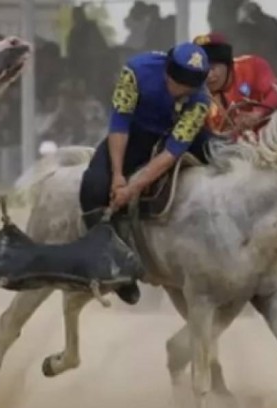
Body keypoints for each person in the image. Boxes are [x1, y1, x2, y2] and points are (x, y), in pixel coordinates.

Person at [79, 42, 210, 305]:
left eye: (190, 87)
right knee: (93, 188)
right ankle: (114, 263)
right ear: (166, 72)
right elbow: (120, 121)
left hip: (165, 145)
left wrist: (132, 188)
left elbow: (172, 152)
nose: (182, 91)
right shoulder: (135, 71)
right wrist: (117, 175)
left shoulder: (200, 101)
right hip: (130, 136)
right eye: (178, 83)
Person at [192, 32, 277, 136]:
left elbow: (276, 94)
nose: (209, 75)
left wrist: (257, 114)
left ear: (228, 65)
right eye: (204, 70)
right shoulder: (200, 96)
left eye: (213, 68)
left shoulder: (252, 66)